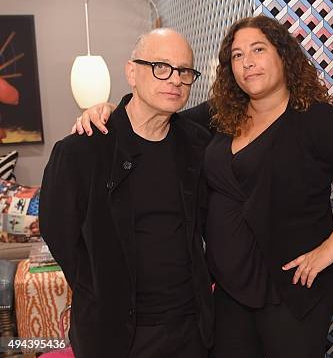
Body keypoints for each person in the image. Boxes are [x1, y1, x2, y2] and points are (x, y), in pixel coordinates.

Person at [73, 15, 333, 358]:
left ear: (283, 55)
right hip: (230, 292)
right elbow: (159, 116)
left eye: (258, 50)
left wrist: (332, 247)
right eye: (237, 56)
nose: (248, 63)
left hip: (291, 291)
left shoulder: (315, 119)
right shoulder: (223, 114)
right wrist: (110, 109)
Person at [41, 28, 214, 358]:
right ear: (131, 72)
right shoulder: (84, 149)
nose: (175, 80)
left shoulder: (197, 143)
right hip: (116, 335)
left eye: (185, 71)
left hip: (190, 328)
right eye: (161, 67)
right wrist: (100, 287)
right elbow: (57, 232)